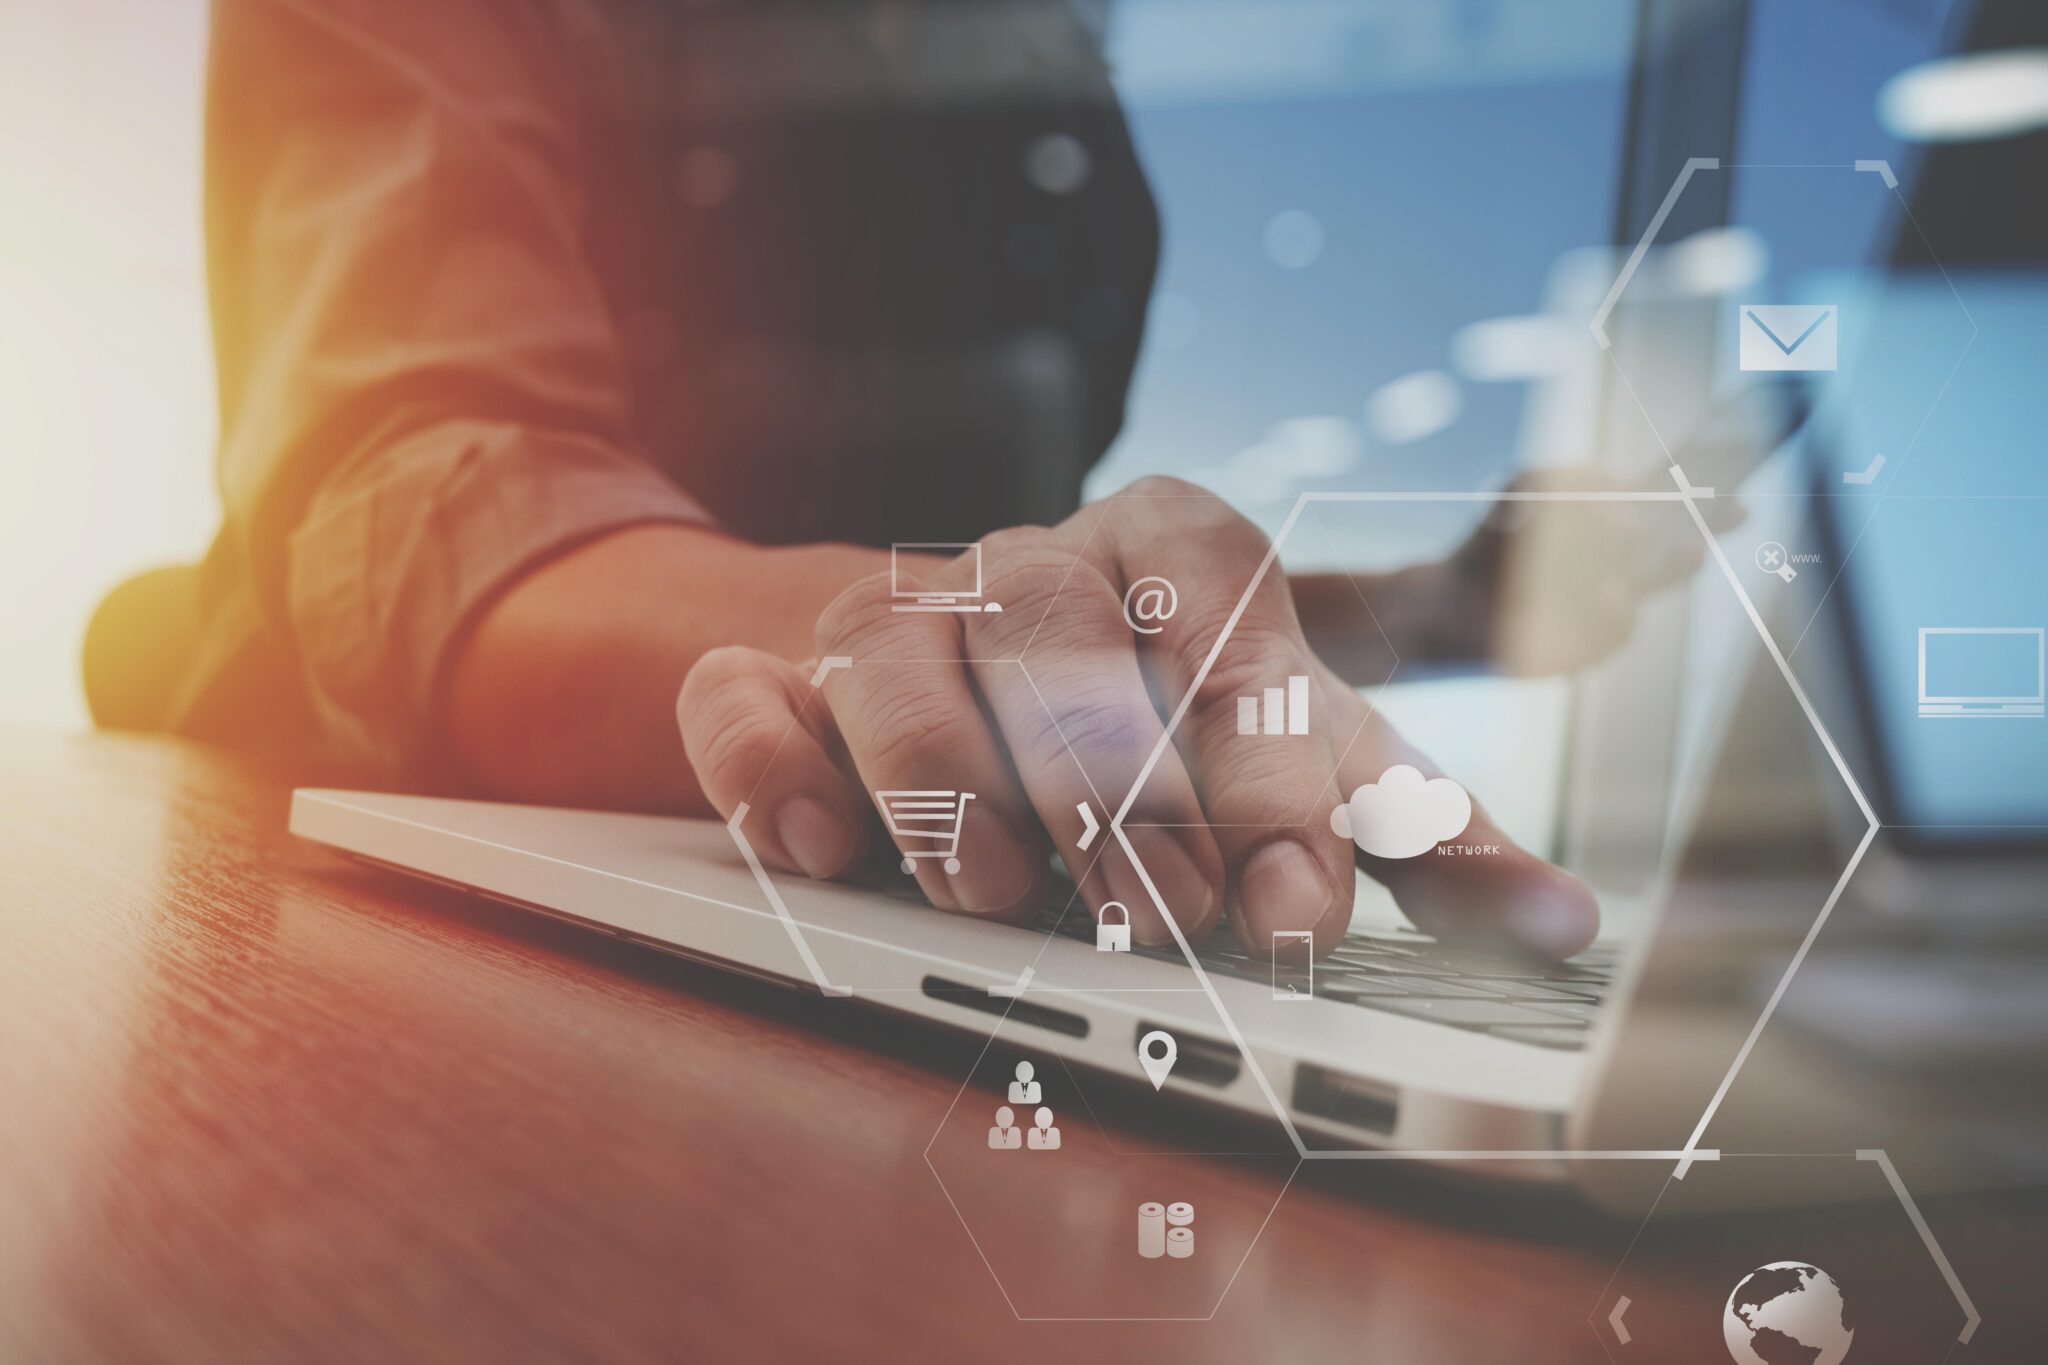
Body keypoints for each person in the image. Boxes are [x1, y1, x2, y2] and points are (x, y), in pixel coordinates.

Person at [85, 1, 1711, 963]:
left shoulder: (1029, 66)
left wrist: (1430, 610)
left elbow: (1039, 574)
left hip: (940, 892)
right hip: (409, 918)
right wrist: (928, 642)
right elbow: (426, 508)